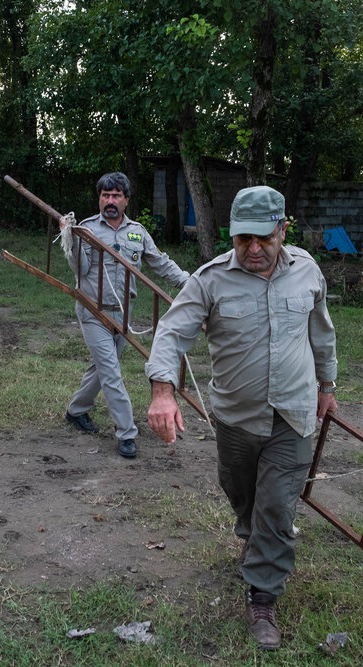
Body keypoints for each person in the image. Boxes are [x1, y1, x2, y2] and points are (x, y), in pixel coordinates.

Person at [144, 185, 338, 650]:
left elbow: (321, 331)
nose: (253, 250)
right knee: (243, 496)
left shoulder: (307, 271)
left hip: (292, 416)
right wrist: (162, 390)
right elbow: (172, 332)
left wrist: (327, 387)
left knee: (276, 505)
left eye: (263, 240)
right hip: (235, 419)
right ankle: (253, 542)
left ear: (282, 230)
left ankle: (263, 596)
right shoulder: (210, 280)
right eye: (242, 240)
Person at [61, 172, 190, 459]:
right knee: (110, 371)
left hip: (122, 314)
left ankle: (75, 411)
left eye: (116, 195)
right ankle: (126, 432)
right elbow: (80, 270)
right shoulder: (87, 229)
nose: (110, 201)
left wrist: (190, 283)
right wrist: (70, 239)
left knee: (101, 367)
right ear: (99, 198)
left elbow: (161, 263)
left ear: (126, 200)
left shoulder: (138, 232)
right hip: (93, 310)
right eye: (105, 195)